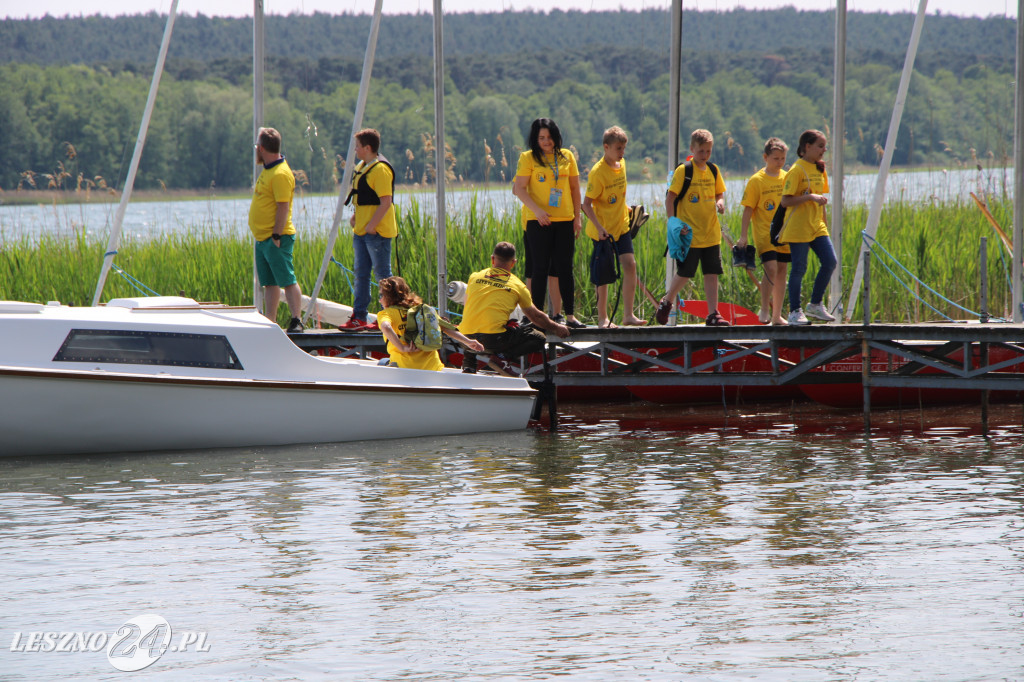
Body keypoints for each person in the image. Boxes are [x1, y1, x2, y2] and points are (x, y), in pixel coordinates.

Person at [512, 118, 585, 328]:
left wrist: (577, 218)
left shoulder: (567, 156)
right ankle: (537, 317)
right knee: (540, 268)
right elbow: (520, 189)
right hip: (538, 220)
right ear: (535, 139)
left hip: (564, 219)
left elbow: (574, 189)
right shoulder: (528, 158)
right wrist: (537, 210)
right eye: (541, 137)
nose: (546, 141)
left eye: (549, 137)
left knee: (565, 268)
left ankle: (568, 316)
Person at [458, 241, 570, 374]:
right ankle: (501, 358)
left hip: (464, 338)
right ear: (513, 262)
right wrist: (557, 327)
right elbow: (535, 317)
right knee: (538, 337)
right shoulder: (517, 285)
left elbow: (468, 306)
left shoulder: (474, 277)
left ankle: (469, 365)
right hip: (493, 341)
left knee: (473, 325)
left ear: (492, 259)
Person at [655, 129, 729, 326]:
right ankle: (668, 300)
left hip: (711, 233)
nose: (704, 155)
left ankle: (713, 313)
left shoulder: (713, 170)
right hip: (689, 234)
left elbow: (719, 193)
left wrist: (720, 202)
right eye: (701, 151)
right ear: (692, 149)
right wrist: (672, 223)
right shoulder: (684, 171)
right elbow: (670, 198)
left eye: (708, 151)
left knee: (711, 273)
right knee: (686, 272)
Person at [581, 125, 646, 328]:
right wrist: (599, 227)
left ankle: (628, 315)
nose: (622, 152)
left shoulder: (622, 164)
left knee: (630, 265)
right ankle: (603, 319)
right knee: (604, 275)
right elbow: (586, 205)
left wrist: (628, 209)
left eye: (624, 148)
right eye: (618, 148)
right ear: (606, 147)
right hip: (602, 231)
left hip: (621, 226)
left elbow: (618, 195)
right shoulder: (598, 173)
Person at [247, 126, 304, 333]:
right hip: (262, 239)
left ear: (261, 148)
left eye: (256, 147)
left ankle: (296, 319)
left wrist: (277, 235)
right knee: (269, 284)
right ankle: (270, 322)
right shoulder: (268, 170)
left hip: (276, 237)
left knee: (287, 279)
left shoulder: (280, 173)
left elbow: (283, 206)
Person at [779, 129, 837, 326]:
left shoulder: (820, 169)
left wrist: (825, 224)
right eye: (820, 146)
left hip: (817, 226)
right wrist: (809, 197)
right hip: (799, 226)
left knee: (830, 261)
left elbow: (821, 200)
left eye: (825, 146)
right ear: (807, 147)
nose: (824, 150)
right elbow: (785, 201)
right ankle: (794, 311)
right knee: (799, 269)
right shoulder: (797, 170)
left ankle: (815, 304)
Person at [342, 128, 397, 331]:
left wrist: (372, 226)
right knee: (361, 273)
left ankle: (388, 317)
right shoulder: (362, 166)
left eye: (357, 146)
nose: (355, 150)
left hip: (377, 233)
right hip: (362, 232)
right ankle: (359, 317)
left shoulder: (380, 169)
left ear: (367, 147)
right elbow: (363, 197)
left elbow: (385, 202)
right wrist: (357, 217)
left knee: (383, 275)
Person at [376, 276, 484, 371]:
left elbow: (385, 326)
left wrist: (402, 348)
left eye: (381, 296)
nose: (380, 300)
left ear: (388, 297)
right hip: (432, 366)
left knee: (382, 362)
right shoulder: (423, 309)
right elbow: (446, 328)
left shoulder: (386, 314)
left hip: (405, 367)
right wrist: (468, 342)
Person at [737, 137, 791, 326]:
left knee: (782, 271)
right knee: (771, 267)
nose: (780, 162)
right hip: (764, 233)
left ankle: (777, 316)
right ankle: (764, 308)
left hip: (784, 233)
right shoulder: (757, 181)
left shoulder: (787, 178)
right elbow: (747, 209)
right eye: (776, 158)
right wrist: (743, 235)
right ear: (765, 157)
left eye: (783, 158)